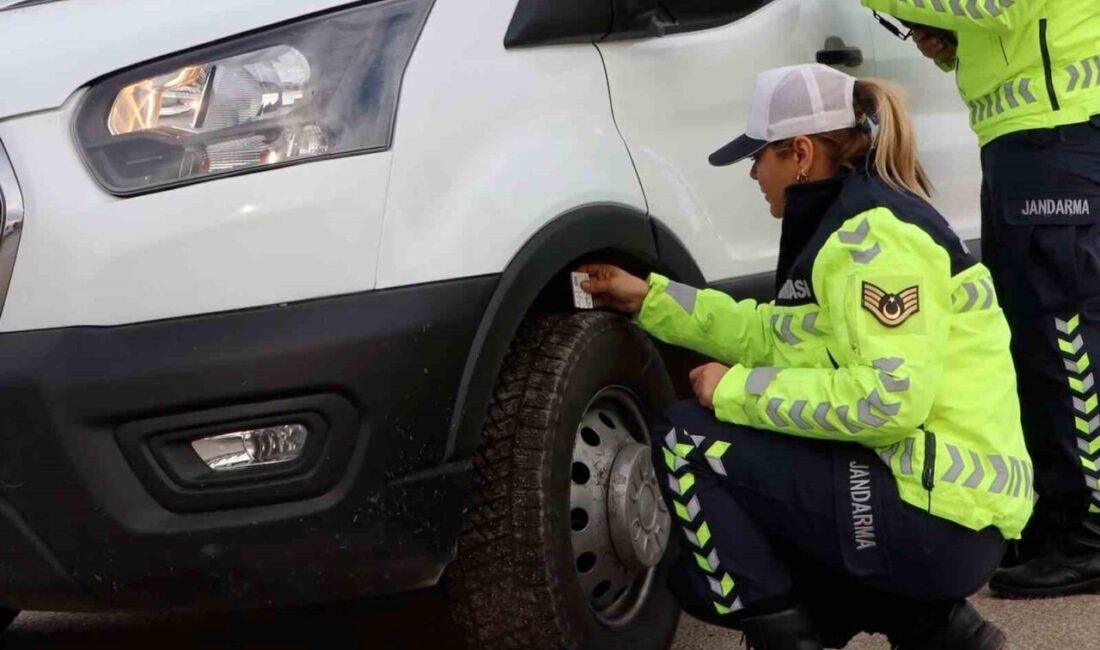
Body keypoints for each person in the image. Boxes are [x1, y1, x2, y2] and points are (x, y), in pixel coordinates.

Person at [581, 64, 1031, 649]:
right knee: (702, 571)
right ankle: (934, 627)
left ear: (799, 153)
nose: (752, 173)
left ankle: (813, 636)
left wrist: (736, 391)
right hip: (937, 507)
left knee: (687, 440)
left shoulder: (873, 241)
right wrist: (651, 299)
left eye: (757, 156)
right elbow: (776, 337)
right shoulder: (849, 221)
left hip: (939, 516)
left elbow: (886, 401)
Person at [859, 0, 1100, 598]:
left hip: (1060, 132)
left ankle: (1091, 532)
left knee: (1067, 341)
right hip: (1025, 135)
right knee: (1029, 343)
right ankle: (1060, 518)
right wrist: (954, 42)